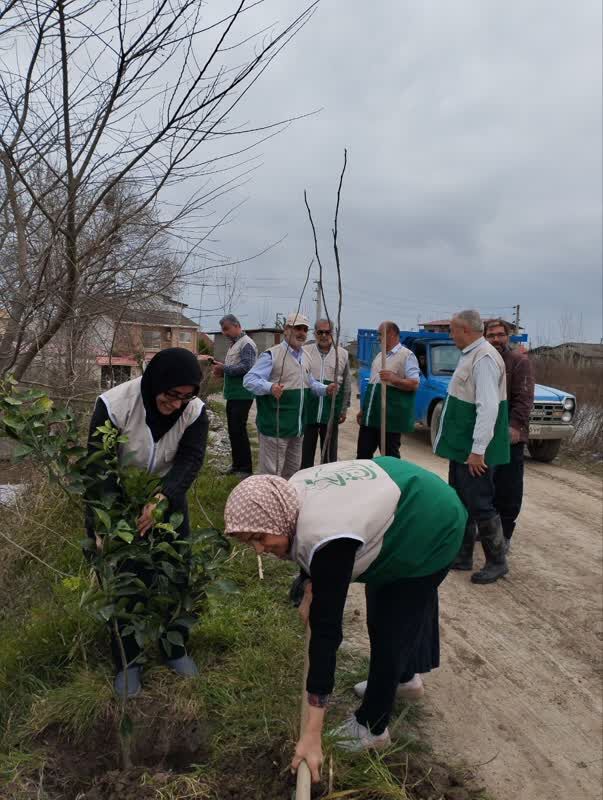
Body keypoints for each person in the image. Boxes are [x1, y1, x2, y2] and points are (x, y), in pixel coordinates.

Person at [224, 458, 466, 782]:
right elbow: (307, 549)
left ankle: (373, 727)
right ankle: (405, 679)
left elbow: (327, 636)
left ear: (278, 518)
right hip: (405, 495)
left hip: (432, 523)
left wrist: (312, 735)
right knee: (387, 608)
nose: (258, 549)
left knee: (391, 624)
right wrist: (311, 587)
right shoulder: (290, 496)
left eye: (259, 537)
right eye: (249, 541)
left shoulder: (329, 538)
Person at [85, 348, 209, 697]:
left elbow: (190, 458)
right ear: (156, 383)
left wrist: (163, 498)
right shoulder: (114, 405)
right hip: (119, 498)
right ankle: (129, 660)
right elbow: (99, 468)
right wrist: (108, 523)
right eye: (172, 395)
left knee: (175, 570)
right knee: (126, 575)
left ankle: (174, 647)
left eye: (187, 396)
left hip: (166, 497)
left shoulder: (195, 412)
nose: (178, 403)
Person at [433, 310, 510, 584]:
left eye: (453, 331)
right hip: (463, 449)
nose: (451, 336)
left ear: (465, 330)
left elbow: (488, 408)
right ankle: (462, 555)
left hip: (475, 452)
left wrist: (478, 450)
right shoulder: (471, 354)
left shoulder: (485, 358)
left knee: (480, 503)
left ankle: (497, 561)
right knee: (461, 500)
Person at [243, 312, 337, 478]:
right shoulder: (272, 354)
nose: (301, 333)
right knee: (271, 476)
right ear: (286, 329)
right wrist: (270, 387)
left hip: (297, 428)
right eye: (297, 328)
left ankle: (286, 503)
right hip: (275, 429)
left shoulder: (306, 357)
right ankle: (268, 504)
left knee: (292, 475)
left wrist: (325, 389)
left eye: (304, 329)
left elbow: (310, 383)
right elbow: (249, 380)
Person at [485, 318, 535, 550]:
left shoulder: (518, 361)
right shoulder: (483, 359)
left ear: (508, 337)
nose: (496, 339)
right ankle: (487, 530)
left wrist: (515, 427)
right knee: (486, 486)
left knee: (509, 487)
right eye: (491, 335)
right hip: (485, 436)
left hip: (509, 437)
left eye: (500, 335)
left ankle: (504, 535)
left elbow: (524, 399)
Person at [203, 314, 257, 477]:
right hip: (234, 394)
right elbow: (235, 367)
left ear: (236, 325)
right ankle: (237, 465)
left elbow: (246, 367)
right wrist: (223, 369)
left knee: (239, 430)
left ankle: (245, 469)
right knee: (234, 430)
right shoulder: (234, 344)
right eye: (223, 330)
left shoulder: (246, 343)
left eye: (226, 329)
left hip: (242, 394)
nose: (224, 333)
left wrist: (224, 369)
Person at [356, 321, 420, 458]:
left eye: (380, 334)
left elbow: (414, 384)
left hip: (389, 418)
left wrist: (394, 378)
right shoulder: (380, 357)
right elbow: (373, 385)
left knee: (390, 458)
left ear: (391, 334)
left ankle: (391, 479)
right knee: (363, 456)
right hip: (371, 417)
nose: (378, 338)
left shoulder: (407, 356)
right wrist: (364, 409)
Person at [301, 318, 351, 467]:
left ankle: (327, 484)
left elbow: (347, 383)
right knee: (305, 452)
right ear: (315, 333)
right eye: (320, 332)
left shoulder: (341, 354)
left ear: (333, 333)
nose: (324, 335)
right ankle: (305, 483)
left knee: (329, 454)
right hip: (308, 409)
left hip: (331, 411)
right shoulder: (305, 351)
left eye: (327, 332)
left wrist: (343, 408)